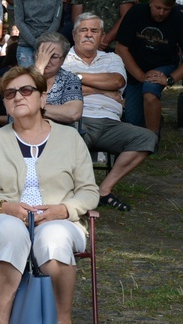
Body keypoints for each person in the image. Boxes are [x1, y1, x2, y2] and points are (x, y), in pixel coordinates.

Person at [0, 65, 99, 324]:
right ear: (5, 103)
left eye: (26, 90)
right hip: (4, 219)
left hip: (59, 219)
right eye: (10, 94)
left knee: (53, 238)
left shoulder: (70, 139)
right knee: (10, 232)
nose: (18, 97)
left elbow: (89, 191)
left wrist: (65, 209)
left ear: (43, 97)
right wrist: (2, 206)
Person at [63, 13, 158, 212]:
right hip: (79, 120)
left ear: (102, 36)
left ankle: (103, 190)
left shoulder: (113, 58)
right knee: (67, 140)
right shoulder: (63, 59)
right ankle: (74, 192)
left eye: (94, 31)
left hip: (111, 124)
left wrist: (77, 77)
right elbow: (60, 89)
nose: (89, 35)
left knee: (147, 138)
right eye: (84, 30)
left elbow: (117, 81)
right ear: (74, 34)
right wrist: (102, 89)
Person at [115, 0, 183, 134]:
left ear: (173, 7)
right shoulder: (136, 13)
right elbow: (121, 48)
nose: (161, 13)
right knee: (133, 121)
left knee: (150, 91)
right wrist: (140, 76)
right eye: (158, 8)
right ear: (150, 1)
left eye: (166, 9)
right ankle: (155, 119)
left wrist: (170, 79)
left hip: (163, 65)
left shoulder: (178, 18)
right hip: (136, 67)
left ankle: (152, 139)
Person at [32, 32, 83, 125]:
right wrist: (39, 68)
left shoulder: (70, 79)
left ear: (63, 60)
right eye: (43, 55)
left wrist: (33, 108)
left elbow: (73, 113)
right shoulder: (22, 76)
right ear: (35, 55)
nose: (47, 60)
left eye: (53, 57)